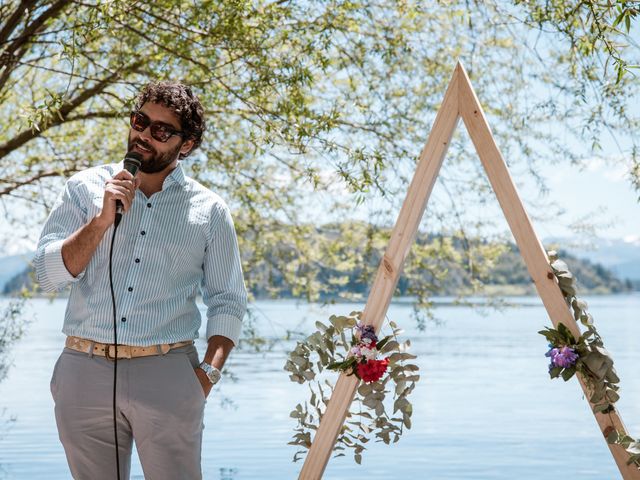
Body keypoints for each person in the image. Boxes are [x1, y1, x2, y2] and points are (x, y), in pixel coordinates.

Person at [34, 81, 247, 480]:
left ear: (186, 144)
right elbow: (48, 276)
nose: (144, 135)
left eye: (161, 130)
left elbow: (228, 301)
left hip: (167, 373)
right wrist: (100, 222)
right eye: (140, 121)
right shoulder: (84, 188)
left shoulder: (210, 211)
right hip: (84, 369)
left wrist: (206, 377)